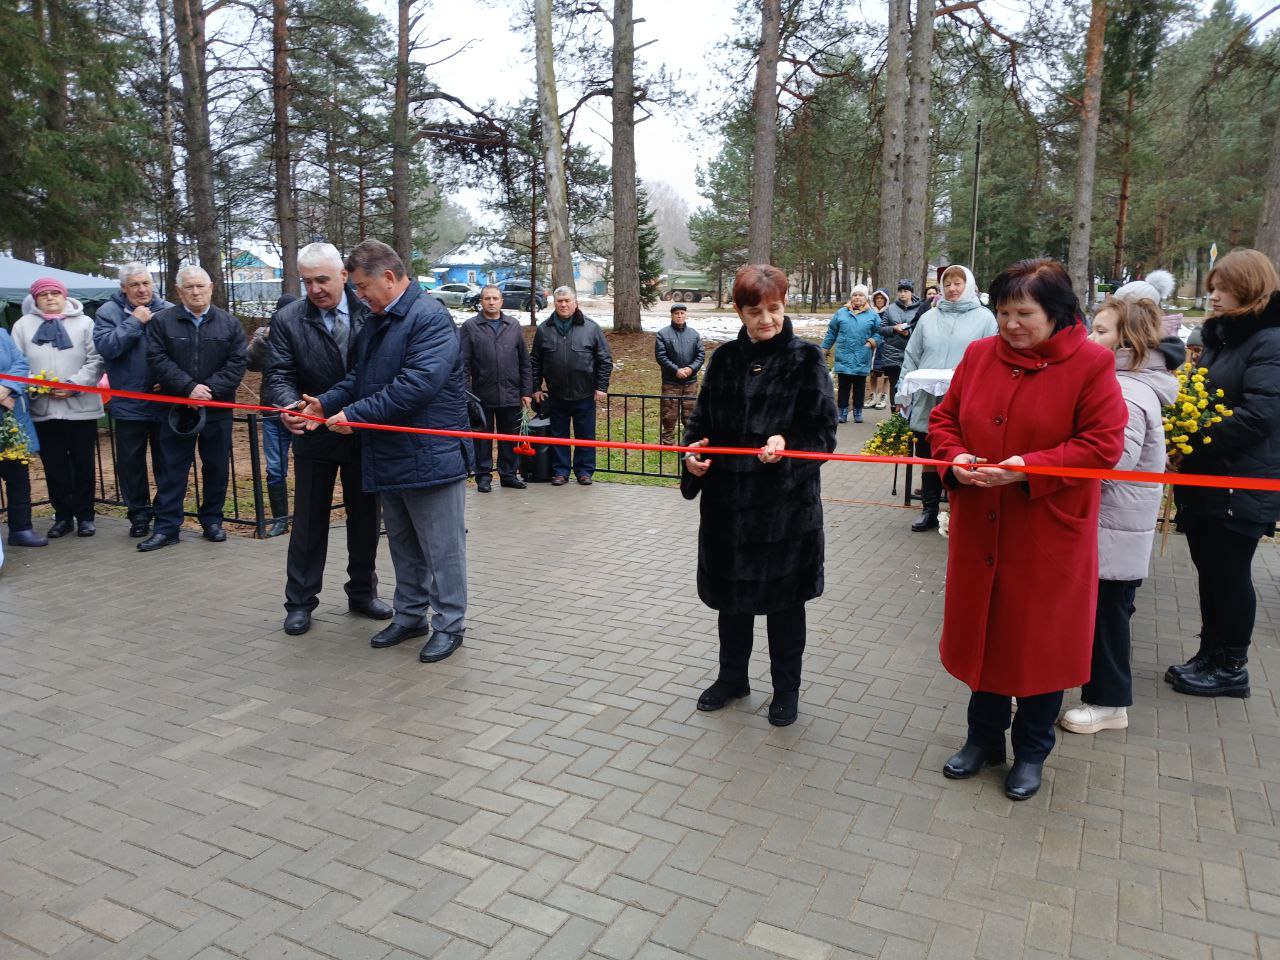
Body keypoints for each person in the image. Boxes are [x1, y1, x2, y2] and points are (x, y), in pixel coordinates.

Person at [928, 258, 1126, 800]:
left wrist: (1026, 467)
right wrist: (957, 458)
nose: (1010, 324)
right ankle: (983, 739)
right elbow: (945, 418)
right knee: (986, 638)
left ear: (1057, 313)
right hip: (981, 527)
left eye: (1024, 313)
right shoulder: (978, 355)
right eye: (1002, 312)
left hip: (1046, 531)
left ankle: (1032, 751)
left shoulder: (1090, 364)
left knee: (1038, 646)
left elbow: (1102, 444)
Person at [298, 239, 472, 664]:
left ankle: (449, 623)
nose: (358, 295)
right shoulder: (380, 318)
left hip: (432, 453)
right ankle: (410, 615)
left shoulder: (430, 317)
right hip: (391, 452)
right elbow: (361, 376)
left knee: (442, 548)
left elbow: (416, 385)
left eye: (361, 287)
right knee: (402, 543)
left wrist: (353, 415)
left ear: (389, 279)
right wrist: (327, 403)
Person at [682, 264, 838, 728]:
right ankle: (733, 678)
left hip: (784, 515)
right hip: (727, 510)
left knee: (784, 609)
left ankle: (785, 690)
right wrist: (692, 458)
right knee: (732, 604)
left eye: (773, 308)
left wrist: (788, 447)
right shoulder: (724, 358)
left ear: (783, 305)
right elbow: (700, 427)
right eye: (755, 311)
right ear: (739, 311)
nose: (766, 319)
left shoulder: (806, 360)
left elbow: (823, 434)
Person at [1166, 249, 1280, 699]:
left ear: (1249, 289)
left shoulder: (1269, 341)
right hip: (1210, 479)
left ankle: (1232, 666)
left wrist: (1193, 440)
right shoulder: (1223, 340)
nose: (1212, 296)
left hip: (1241, 483)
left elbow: (1261, 415)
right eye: (1211, 287)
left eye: (1221, 288)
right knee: (1209, 569)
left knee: (1230, 572)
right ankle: (1210, 654)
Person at [1060, 297, 1177, 734]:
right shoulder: (1124, 382)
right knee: (1108, 611)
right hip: (1116, 524)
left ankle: (1109, 703)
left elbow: (1110, 459)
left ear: (1127, 343)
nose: (1091, 337)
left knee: (1109, 615)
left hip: (1112, 526)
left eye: (1101, 331)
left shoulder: (1125, 389)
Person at [266, 243, 392, 636]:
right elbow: (278, 374)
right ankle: (300, 602)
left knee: (366, 520)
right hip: (313, 434)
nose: (315, 289)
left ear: (342, 275)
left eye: (322, 279)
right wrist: (289, 407)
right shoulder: (288, 319)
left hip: (358, 429)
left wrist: (356, 412)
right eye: (307, 282)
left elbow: (376, 371)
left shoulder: (370, 312)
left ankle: (361, 592)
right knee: (308, 523)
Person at [140, 265, 247, 551]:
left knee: (216, 467)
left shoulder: (229, 324)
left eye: (201, 286)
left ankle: (212, 521)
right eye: (189, 287)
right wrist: (188, 388)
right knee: (172, 469)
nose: (196, 292)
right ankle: (167, 527)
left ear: (211, 287)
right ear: (179, 291)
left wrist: (208, 390)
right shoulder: (163, 322)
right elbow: (156, 358)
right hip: (177, 408)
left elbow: (237, 363)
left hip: (217, 409)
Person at [899, 264, 996, 532]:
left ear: (969, 285)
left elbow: (993, 359)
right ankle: (929, 509)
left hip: (966, 402)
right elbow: (912, 355)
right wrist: (901, 391)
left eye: (958, 283)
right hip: (928, 400)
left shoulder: (985, 319)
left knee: (961, 455)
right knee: (930, 455)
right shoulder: (929, 318)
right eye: (948, 284)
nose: (952, 289)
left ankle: (958, 510)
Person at [12, 278, 104, 539]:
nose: (50, 298)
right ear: (35, 299)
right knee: (55, 467)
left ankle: (86, 516)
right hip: (44, 409)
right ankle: (63, 516)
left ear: (64, 296)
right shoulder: (22, 326)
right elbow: (16, 362)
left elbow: (96, 360)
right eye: (44, 295)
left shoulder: (85, 323)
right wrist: (39, 384)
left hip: (80, 408)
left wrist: (74, 384)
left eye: (55, 293)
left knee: (83, 464)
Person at [92, 262, 173, 538]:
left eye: (146, 283)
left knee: (168, 462)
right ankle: (139, 515)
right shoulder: (107, 313)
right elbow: (107, 348)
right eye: (135, 285)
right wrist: (134, 321)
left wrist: (174, 380)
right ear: (123, 289)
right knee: (131, 464)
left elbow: (181, 351)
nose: (142, 289)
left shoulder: (169, 310)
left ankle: (165, 514)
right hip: (129, 404)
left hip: (164, 401)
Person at [530, 287, 613, 485]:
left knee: (585, 435)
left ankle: (584, 471)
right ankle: (561, 471)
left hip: (584, 394)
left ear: (576, 303)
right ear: (554, 303)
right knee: (559, 435)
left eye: (567, 300)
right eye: (560, 301)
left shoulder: (591, 328)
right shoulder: (544, 329)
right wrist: (536, 387)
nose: (564, 304)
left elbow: (605, 359)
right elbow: (535, 361)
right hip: (557, 395)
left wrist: (601, 387)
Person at [459, 284, 532, 491]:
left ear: (501, 301)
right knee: (483, 439)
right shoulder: (470, 326)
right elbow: (463, 364)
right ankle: (483, 476)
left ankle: (509, 474)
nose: (491, 302)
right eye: (487, 298)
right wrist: (467, 394)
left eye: (495, 298)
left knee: (509, 436)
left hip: (511, 393)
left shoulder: (513, 325)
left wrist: (526, 391)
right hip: (482, 395)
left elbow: (524, 362)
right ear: (481, 301)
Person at [247, 293, 299, 536]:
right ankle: (280, 519)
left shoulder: (304, 332)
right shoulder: (265, 336)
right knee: (276, 468)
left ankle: (305, 516)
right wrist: (265, 340)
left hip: (301, 411)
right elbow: (251, 363)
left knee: (307, 466)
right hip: (272, 410)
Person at [0, 324, 46, 547]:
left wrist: (7, 387)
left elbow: (20, 363)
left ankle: (21, 529)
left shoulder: (1, 334)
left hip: (11, 422)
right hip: (5, 405)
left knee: (18, 478)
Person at [820, 286, 881, 424]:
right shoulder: (841, 313)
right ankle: (842, 412)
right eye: (855, 295)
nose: (857, 297)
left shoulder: (873, 315)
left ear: (866, 298)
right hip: (844, 355)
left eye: (861, 295)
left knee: (859, 387)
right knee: (843, 387)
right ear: (851, 297)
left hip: (862, 355)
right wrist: (824, 348)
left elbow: (879, 333)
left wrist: (871, 342)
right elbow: (832, 332)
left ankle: (858, 412)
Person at [655, 304, 704, 445]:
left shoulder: (694, 334)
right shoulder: (663, 334)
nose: (679, 316)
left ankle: (688, 439)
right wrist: (676, 370)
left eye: (682, 313)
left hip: (691, 381)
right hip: (671, 381)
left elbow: (700, 355)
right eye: (677, 313)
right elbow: (661, 356)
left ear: (686, 315)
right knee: (669, 412)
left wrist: (691, 368)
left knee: (690, 412)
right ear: (672, 315)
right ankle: (668, 440)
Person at [875, 287, 909, 410]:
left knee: (908, 385)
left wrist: (908, 331)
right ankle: (894, 417)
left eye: (905, 291)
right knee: (894, 384)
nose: (902, 294)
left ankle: (907, 416)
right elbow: (882, 329)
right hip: (891, 353)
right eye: (900, 291)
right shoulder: (891, 309)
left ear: (911, 292)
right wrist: (894, 328)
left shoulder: (918, 309)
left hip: (910, 353)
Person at [867, 289, 892, 409]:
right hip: (873, 346)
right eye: (877, 298)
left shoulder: (890, 312)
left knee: (887, 373)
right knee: (873, 372)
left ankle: (884, 396)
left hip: (886, 346)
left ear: (886, 300)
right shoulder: (870, 313)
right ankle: (873, 395)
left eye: (881, 298)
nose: (879, 300)